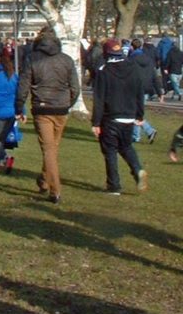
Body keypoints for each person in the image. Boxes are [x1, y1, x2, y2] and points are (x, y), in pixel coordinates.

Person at [15, 29, 80, 205]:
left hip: (42, 107)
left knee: (49, 149)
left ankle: (55, 189)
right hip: (61, 108)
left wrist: (19, 107)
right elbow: (75, 87)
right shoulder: (66, 60)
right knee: (52, 148)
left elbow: (23, 85)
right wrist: (68, 103)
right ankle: (44, 180)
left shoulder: (33, 59)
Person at [90, 39, 148, 195]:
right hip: (129, 117)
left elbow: (99, 99)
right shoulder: (134, 69)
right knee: (127, 146)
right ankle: (138, 170)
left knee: (110, 151)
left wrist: (96, 122)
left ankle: (114, 185)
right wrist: (140, 115)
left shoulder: (104, 71)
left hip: (111, 117)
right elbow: (139, 94)